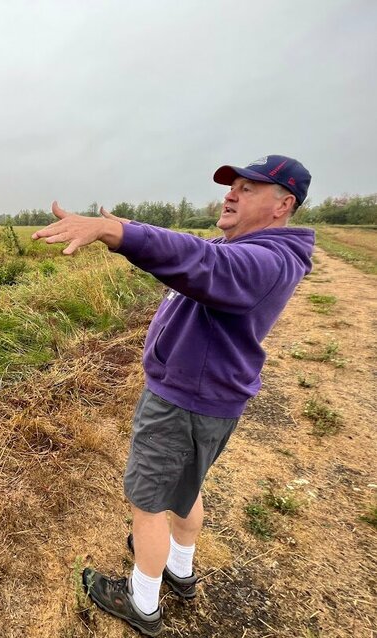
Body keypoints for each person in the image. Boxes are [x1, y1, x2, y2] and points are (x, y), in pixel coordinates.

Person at [32, 155, 314, 636]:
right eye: (233, 186)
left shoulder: (261, 260)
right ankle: (180, 571)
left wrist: (113, 232)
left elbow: (199, 261)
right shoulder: (251, 250)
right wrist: (119, 224)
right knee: (187, 487)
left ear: (282, 204)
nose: (231, 194)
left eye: (248, 189)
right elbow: (196, 256)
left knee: (149, 504)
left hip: (183, 402)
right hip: (208, 397)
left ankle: (142, 602)